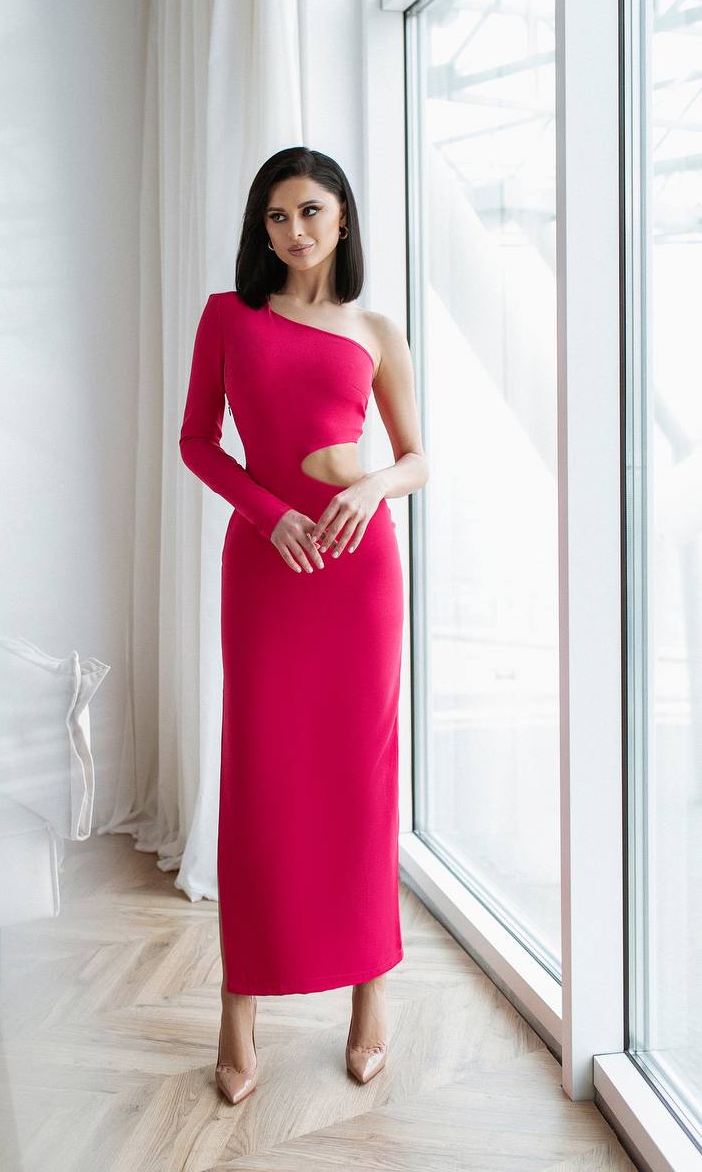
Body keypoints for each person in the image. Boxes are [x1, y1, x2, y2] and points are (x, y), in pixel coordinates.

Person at [178, 146, 428, 1103]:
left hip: (357, 575)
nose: (293, 231)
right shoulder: (228, 318)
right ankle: (238, 1009)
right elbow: (199, 442)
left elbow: (416, 459)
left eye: (310, 212)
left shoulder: (375, 330)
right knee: (261, 778)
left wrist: (370, 486)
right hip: (270, 567)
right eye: (276, 216)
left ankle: (370, 1001)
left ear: (343, 219)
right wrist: (268, 512)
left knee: (357, 786)